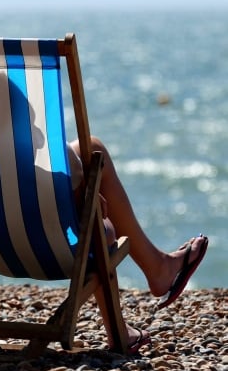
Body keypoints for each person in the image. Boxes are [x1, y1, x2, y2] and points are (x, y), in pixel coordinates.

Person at [69, 137, 208, 352]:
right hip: (44, 236)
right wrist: (81, 189)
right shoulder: (16, 103)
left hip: (0, 248)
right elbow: (34, 144)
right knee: (99, 226)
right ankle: (119, 331)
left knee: (92, 147)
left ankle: (158, 266)